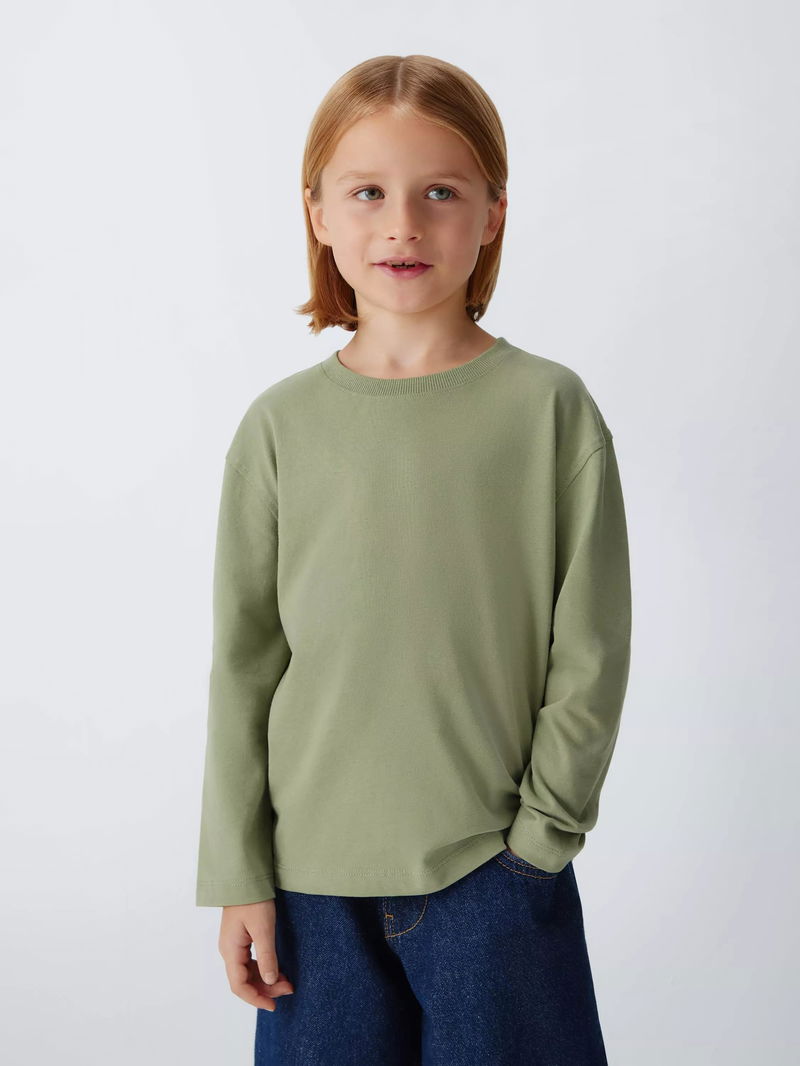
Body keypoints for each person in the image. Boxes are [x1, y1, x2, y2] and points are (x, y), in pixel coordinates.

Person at [195, 53, 632, 1066]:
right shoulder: (279, 427)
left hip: (494, 877)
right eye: (367, 193)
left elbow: (591, 649)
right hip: (308, 892)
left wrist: (538, 844)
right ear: (317, 213)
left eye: (440, 192)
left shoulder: (547, 410)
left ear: (493, 213)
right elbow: (243, 663)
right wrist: (238, 873)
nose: (402, 224)